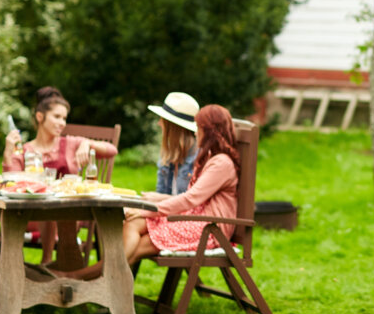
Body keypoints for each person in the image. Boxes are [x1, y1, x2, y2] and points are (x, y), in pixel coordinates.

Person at [60, 105, 239, 281]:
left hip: (209, 229)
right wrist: (148, 205)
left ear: (209, 132)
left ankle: (80, 278)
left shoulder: (221, 163)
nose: (194, 132)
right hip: (195, 220)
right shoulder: (210, 159)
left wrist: (148, 209)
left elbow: (191, 198)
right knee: (134, 221)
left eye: (198, 128)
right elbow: (192, 197)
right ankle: (97, 285)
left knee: (136, 248)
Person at [1, 86, 118, 264]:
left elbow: (111, 150)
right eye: (57, 117)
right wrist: (8, 151)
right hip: (33, 216)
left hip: (70, 214)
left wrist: (87, 143)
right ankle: (48, 262)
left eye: (64, 118)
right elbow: (10, 180)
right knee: (47, 207)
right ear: (40, 117)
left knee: (57, 210)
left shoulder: (70, 143)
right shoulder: (26, 150)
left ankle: (52, 264)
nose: (62, 123)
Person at [144, 92, 199, 198]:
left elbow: (193, 202)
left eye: (162, 120)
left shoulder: (199, 157)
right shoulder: (168, 154)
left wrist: (160, 199)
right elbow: (160, 192)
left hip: (184, 214)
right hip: (167, 212)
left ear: (172, 128)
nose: (159, 123)